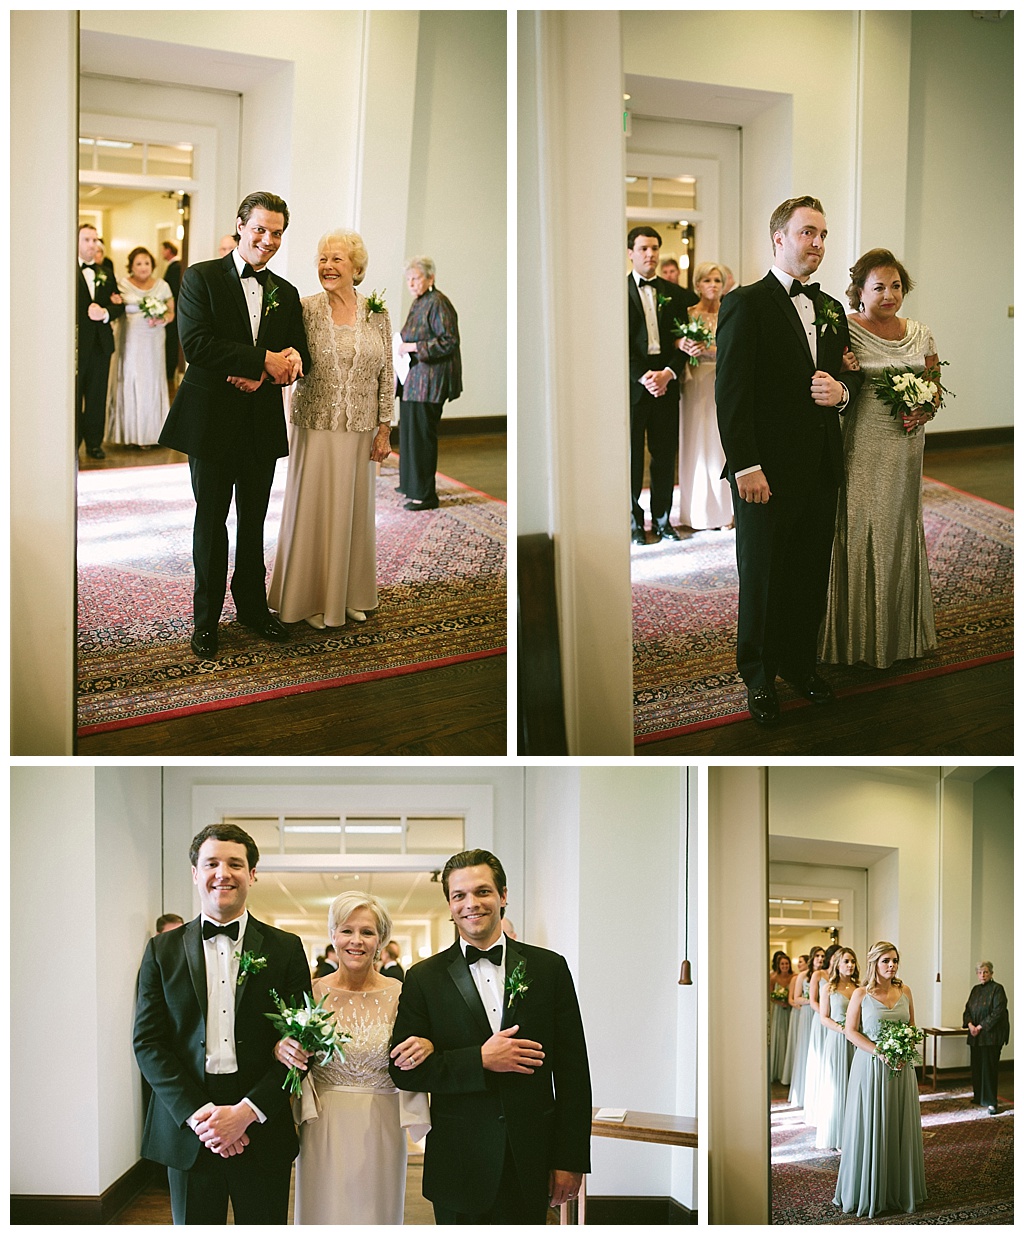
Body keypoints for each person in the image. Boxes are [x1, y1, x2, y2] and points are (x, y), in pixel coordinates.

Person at [715, 196, 863, 725]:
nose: (817, 243)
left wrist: (841, 393)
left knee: (806, 573)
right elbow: (731, 394)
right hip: (766, 473)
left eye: (822, 234)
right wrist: (746, 466)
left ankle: (800, 665)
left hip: (821, 465)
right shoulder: (745, 303)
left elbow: (847, 378)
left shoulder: (830, 309)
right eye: (807, 233)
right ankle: (757, 676)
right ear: (779, 238)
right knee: (762, 576)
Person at [388, 848, 592, 1223]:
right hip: (458, 1165)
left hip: (531, 1159)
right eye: (459, 895)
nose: (471, 904)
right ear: (449, 905)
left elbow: (574, 1072)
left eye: (482, 891)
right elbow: (403, 1071)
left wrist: (570, 1159)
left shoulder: (549, 968)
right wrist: (478, 1060)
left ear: (503, 895)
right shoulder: (423, 978)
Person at [159, 191, 311, 661]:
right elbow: (197, 345)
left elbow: (297, 350)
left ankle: (251, 608)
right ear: (242, 226)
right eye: (261, 229)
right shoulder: (200, 277)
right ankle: (205, 620)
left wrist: (281, 363)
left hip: (261, 421)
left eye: (278, 233)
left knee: (253, 521)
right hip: (211, 421)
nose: (268, 240)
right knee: (211, 520)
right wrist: (262, 359)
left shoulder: (285, 292)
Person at [133, 823, 311, 1224]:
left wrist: (247, 1112)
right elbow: (148, 1043)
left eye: (235, 863)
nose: (223, 873)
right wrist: (202, 1115)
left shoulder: (286, 948)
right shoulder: (161, 951)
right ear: (196, 872)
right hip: (189, 1126)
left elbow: (303, 1042)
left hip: (261, 1121)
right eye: (211, 863)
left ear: (252, 874)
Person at [274, 891, 432, 1223]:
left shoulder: (403, 994)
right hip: (323, 1123)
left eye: (367, 932)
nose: (356, 941)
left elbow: (429, 1041)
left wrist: (428, 1046)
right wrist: (281, 1048)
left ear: (381, 940)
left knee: (377, 1212)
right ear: (333, 935)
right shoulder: (311, 992)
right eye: (347, 931)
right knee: (324, 1212)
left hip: (382, 1121)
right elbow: (285, 1048)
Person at [820, 249, 941, 669]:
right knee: (859, 525)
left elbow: (935, 387)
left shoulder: (920, 332)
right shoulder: (845, 332)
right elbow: (832, 381)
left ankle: (899, 634)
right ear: (859, 291)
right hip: (860, 445)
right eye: (879, 287)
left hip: (906, 446)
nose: (889, 295)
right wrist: (841, 368)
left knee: (899, 525)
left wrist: (925, 409)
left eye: (896, 286)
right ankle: (851, 637)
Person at [267, 229, 393, 629]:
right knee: (314, 509)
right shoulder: (305, 309)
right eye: (322, 258)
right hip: (316, 425)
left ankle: (349, 594)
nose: (327, 266)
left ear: (356, 268)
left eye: (336, 259)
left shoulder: (378, 314)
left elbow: (386, 374)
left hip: (359, 428)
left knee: (353, 511)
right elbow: (286, 354)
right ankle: (309, 599)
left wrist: (384, 428)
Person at [834, 941, 926, 1217]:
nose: (892, 965)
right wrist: (880, 1051)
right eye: (886, 960)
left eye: (895, 960)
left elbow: (911, 1028)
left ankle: (898, 1189)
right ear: (875, 962)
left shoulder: (905, 990)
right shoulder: (861, 995)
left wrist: (904, 1049)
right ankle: (870, 1189)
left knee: (898, 1124)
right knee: (873, 1124)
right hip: (871, 1067)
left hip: (901, 1068)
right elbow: (851, 1032)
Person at [626, 226, 698, 545]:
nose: (650, 254)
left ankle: (663, 519)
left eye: (654, 248)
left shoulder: (674, 293)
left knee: (664, 456)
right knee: (630, 457)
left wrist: (668, 373)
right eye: (643, 249)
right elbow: (617, 344)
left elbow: (683, 340)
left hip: (667, 384)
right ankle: (632, 522)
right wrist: (644, 376)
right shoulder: (617, 292)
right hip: (634, 385)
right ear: (631, 253)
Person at [396, 257, 462, 511]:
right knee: (409, 434)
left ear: (430, 278)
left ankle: (425, 495)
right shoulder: (420, 302)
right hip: (414, 381)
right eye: (409, 279)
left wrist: (412, 346)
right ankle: (411, 486)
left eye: (416, 278)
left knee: (422, 437)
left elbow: (449, 341)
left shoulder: (438, 302)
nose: (411, 284)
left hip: (430, 382)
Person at [677, 261, 732, 530]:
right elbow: (673, 346)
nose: (712, 285)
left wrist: (714, 352)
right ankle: (695, 512)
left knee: (720, 443)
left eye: (717, 281)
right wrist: (681, 344)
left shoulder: (729, 312)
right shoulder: (687, 314)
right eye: (707, 280)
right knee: (695, 442)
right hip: (695, 383)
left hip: (721, 382)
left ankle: (723, 513)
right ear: (697, 285)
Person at [108, 246, 175, 448]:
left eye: (147, 263)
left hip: (153, 341)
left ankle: (152, 434)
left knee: (151, 380)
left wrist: (162, 319)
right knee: (129, 377)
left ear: (152, 265)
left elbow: (171, 313)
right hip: (129, 340)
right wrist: (114, 302)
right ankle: (129, 434)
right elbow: (114, 308)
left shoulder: (162, 286)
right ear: (131, 266)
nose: (143, 267)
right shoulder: (122, 285)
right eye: (139, 263)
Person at [77, 222, 125, 459]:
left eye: (94, 240)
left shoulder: (106, 273)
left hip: (100, 345)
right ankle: (72, 444)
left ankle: (94, 443)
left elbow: (119, 306)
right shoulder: (66, 271)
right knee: (73, 397)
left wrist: (105, 313)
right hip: (74, 347)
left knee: (97, 397)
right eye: (86, 239)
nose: (92, 245)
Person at [815, 947, 858, 1151]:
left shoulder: (859, 988)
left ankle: (854, 1133)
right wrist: (844, 1030)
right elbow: (824, 1018)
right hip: (838, 1040)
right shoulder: (828, 988)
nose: (850, 965)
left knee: (854, 1088)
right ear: (838, 964)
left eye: (853, 961)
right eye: (847, 961)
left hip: (857, 1043)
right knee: (838, 1088)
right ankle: (838, 1135)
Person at [963, 960, 1009, 1114]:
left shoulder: (997, 989)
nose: (982, 975)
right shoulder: (975, 990)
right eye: (980, 972)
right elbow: (967, 1009)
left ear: (991, 973)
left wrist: (980, 1027)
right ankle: (979, 1097)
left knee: (989, 1069)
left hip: (991, 1036)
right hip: (975, 1036)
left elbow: (998, 1012)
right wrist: (970, 1025)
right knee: (976, 1068)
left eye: (986, 972)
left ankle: (991, 1102)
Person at [802, 942, 838, 1125]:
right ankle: (815, 1105)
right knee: (820, 1060)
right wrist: (826, 1015)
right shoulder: (819, 974)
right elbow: (812, 1000)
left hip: (836, 1021)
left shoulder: (840, 976)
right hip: (821, 1020)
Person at [787, 946, 824, 1107]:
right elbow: (796, 998)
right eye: (817, 956)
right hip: (807, 1013)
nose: (820, 959)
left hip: (820, 1014)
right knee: (805, 1049)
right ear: (812, 958)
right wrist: (813, 1001)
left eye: (823, 956)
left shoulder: (826, 975)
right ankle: (802, 1094)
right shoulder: (802, 976)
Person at [780, 954, 808, 1086]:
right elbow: (791, 999)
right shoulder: (796, 978)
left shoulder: (813, 977)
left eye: (801, 962)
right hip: (798, 1013)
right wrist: (801, 1007)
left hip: (810, 1015)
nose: (799, 965)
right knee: (796, 1043)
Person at [769, 952, 793, 1083]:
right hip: (779, 1010)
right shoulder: (773, 978)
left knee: (789, 1035)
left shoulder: (794, 977)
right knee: (779, 1036)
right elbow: (770, 995)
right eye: (782, 964)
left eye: (787, 963)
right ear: (779, 965)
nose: (785, 966)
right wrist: (780, 1001)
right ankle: (778, 1070)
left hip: (790, 1010)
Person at [162, 241, 183, 385]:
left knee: (172, 342)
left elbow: (173, 291)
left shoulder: (175, 267)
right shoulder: (174, 266)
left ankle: (170, 371)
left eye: (163, 250)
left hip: (174, 311)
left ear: (168, 250)